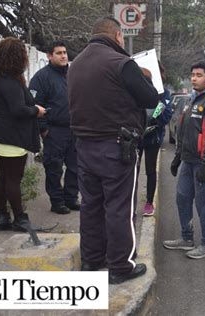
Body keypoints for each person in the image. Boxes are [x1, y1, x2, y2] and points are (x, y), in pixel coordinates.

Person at [67, 17, 159, 284]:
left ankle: (92, 260)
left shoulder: (76, 64)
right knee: (119, 207)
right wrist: (147, 77)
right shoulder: (122, 63)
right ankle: (120, 266)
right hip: (116, 148)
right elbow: (151, 99)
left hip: (84, 147)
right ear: (118, 35)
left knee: (91, 206)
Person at [163, 61, 205, 259]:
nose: (193, 78)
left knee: (203, 203)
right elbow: (184, 132)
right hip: (188, 160)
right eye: (192, 74)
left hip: (204, 163)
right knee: (182, 198)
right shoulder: (193, 100)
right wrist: (177, 157)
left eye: (198, 75)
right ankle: (186, 238)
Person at [0, 37, 46, 231]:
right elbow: (18, 110)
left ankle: (2, 217)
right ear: (16, 57)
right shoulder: (10, 82)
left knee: (2, 176)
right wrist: (36, 110)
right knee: (13, 179)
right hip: (12, 138)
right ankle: (20, 219)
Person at [29, 41, 79, 215]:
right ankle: (57, 202)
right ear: (50, 56)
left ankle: (71, 198)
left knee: (75, 167)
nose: (64, 56)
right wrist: (44, 129)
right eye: (58, 53)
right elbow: (34, 104)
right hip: (54, 130)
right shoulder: (41, 77)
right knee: (54, 168)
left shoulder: (73, 74)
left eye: (65, 52)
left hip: (74, 129)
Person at [138, 62, 173, 216]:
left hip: (153, 138)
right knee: (132, 170)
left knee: (150, 171)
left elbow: (166, 114)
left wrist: (153, 122)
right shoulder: (136, 90)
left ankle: (149, 202)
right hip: (136, 137)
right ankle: (129, 202)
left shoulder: (163, 93)